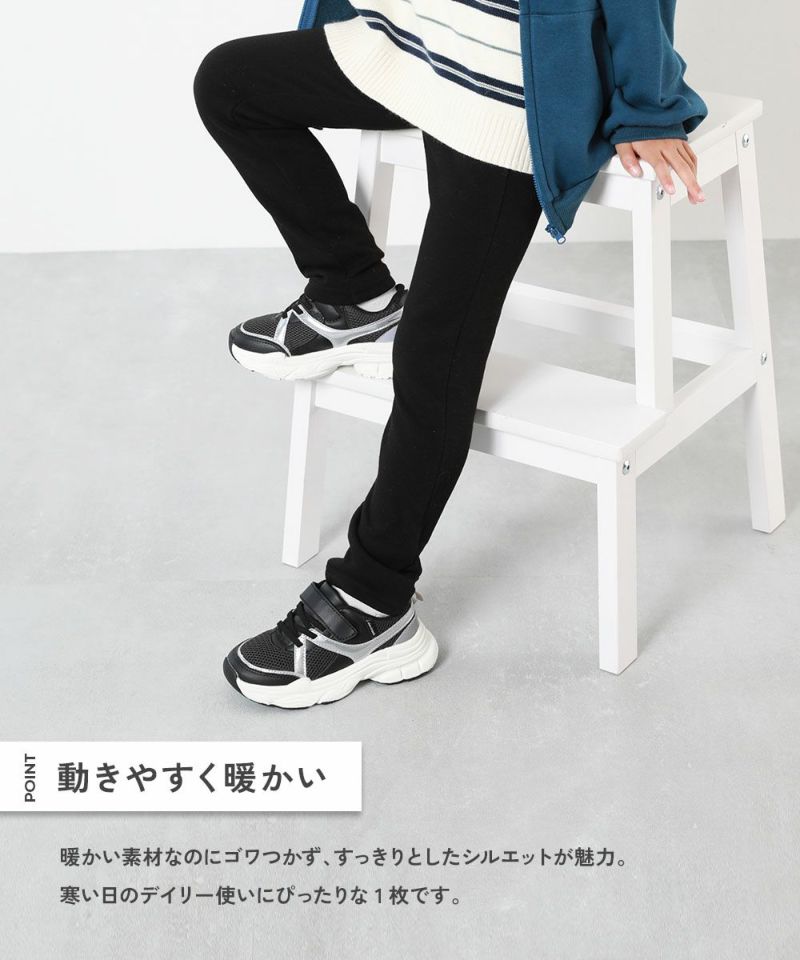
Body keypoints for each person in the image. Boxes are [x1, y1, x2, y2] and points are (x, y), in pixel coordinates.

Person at [193, 0, 706, 709]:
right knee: (230, 84)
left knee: (435, 353)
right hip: (412, 40)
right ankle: (357, 294)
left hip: (507, 82)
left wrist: (648, 107)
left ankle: (374, 599)